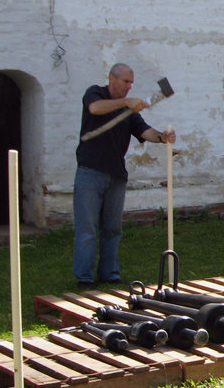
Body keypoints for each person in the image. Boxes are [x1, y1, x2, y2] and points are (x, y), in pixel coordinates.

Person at [72, 62, 176, 287]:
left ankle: (109, 274)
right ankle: (85, 278)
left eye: (131, 84)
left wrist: (161, 137)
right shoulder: (95, 93)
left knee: (112, 228)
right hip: (90, 172)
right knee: (87, 228)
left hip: (116, 175)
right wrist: (125, 102)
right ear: (112, 78)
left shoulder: (131, 111)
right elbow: (95, 108)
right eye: (126, 82)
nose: (129, 87)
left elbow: (143, 131)